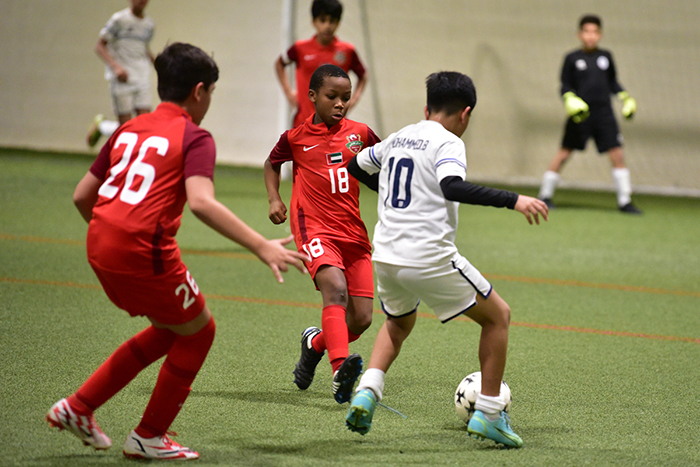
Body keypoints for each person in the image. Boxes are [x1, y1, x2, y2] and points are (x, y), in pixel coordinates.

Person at [47, 42, 309, 461]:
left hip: (97, 246)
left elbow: (83, 196)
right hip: (142, 254)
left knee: (170, 330)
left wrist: (110, 235)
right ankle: (149, 435)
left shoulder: (128, 128)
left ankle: (78, 407)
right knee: (200, 332)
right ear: (199, 91)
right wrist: (261, 245)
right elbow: (202, 202)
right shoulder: (195, 136)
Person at [344, 71, 549, 448]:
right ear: (465, 113)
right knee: (498, 316)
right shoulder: (449, 141)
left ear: (426, 107)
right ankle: (489, 414)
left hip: (387, 256)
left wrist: (387, 188)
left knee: (398, 324)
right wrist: (514, 200)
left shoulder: (399, 136)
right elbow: (451, 186)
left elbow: (355, 165)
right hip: (428, 257)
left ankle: (367, 391)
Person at [264, 64, 380, 404]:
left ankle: (314, 344)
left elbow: (384, 164)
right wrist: (274, 198)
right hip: (313, 227)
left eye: (345, 97)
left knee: (362, 318)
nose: (341, 103)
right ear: (312, 96)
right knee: (335, 289)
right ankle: (340, 370)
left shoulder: (360, 134)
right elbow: (272, 163)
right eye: (332, 96)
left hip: (353, 233)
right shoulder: (295, 138)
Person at [537, 14, 641, 214]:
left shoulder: (606, 57)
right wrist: (570, 98)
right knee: (564, 153)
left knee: (617, 154)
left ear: (600, 35)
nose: (590, 36)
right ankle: (545, 196)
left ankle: (625, 201)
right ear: (579, 34)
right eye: (587, 32)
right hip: (580, 116)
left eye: (594, 32)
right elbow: (564, 85)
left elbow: (613, 82)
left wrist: (625, 97)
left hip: (604, 115)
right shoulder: (572, 58)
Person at [275, 0, 368, 129]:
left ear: (338, 23)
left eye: (332, 21)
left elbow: (363, 75)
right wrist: (289, 93)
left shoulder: (347, 51)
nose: (327, 26)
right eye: (322, 20)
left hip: (335, 126)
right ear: (313, 22)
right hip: (303, 123)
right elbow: (280, 64)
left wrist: (353, 101)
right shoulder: (299, 48)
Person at [87, 0, 155, 148]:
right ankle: (103, 127)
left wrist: (157, 63)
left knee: (144, 126)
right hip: (122, 79)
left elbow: (143, 48)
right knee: (126, 129)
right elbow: (100, 46)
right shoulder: (119, 19)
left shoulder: (149, 24)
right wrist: (116, 67)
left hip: (142, 77)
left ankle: (104, 127)